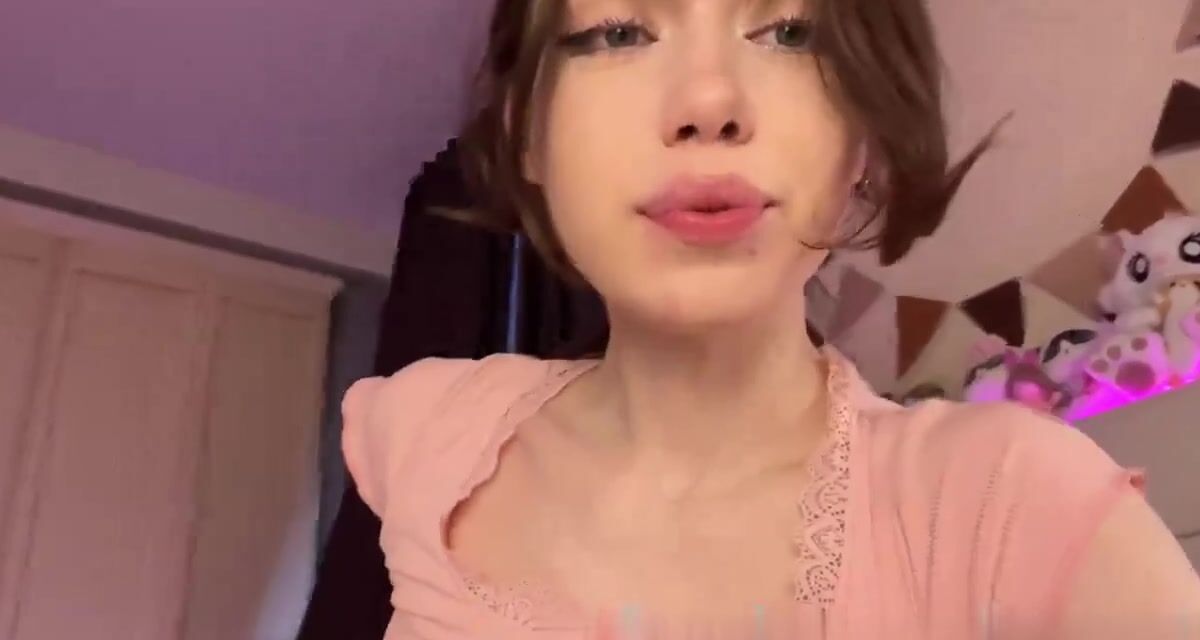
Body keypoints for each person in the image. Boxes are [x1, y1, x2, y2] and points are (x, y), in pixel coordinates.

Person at [341, 0, 1200, 637]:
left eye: (791, 32)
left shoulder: (1012, 506)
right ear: (527, 129)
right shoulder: (422, 430)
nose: (710, 102)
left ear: (863, 137)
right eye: (619, 31)